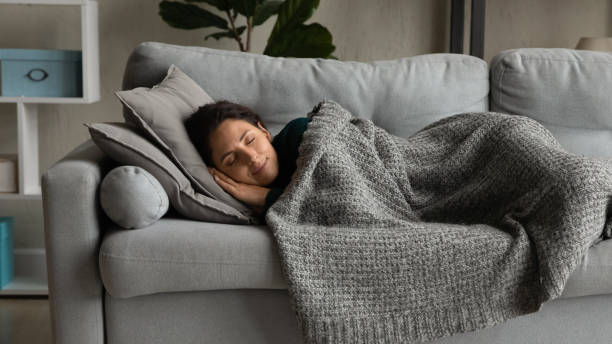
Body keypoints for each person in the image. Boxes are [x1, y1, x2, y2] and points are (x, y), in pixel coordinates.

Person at [185, 100, 311, 216]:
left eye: (250, 140)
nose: (251, 157)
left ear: (264, 132)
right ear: (222, 173)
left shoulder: (302, 133)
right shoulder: (252, 206)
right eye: (231, 160)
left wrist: (265, 197)